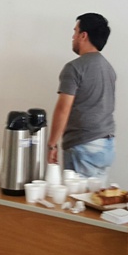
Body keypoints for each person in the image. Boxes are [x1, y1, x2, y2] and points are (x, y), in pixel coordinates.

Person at [47, 13, 116, 180]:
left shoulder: (75, 68)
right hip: (106, 145)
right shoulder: (108, 68)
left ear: (83, 35)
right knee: (96, 195)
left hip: (83, 145)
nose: (73, 36)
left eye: (75, 31)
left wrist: (52, 144)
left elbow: (63, 109)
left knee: (78, 195)